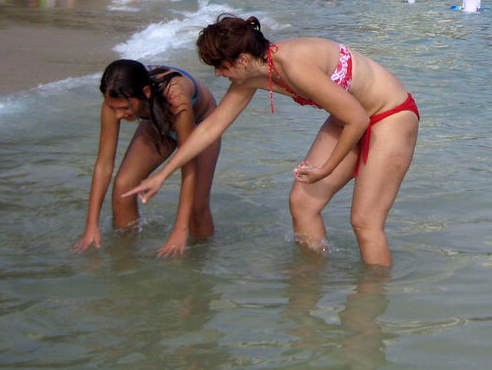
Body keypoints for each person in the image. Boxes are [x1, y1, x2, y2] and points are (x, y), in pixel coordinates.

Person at [123, 16, 419, 267]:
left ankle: (372, 304)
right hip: (351, 117)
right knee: (302, 203)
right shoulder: (251, 75)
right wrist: (162, 174)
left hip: (389, 115)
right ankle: (310, 282)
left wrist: (326, 169)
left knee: (365, 222)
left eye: (221, 66)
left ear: (241, 60)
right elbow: (210, 128)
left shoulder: (293, 63)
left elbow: (358, 119)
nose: (217, 74)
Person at [73, 59, 220, 257]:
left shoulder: (175, 98)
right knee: (124, 186)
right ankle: (126, 259)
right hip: (159, 120)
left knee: (196, 206)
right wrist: (91, 225)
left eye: (124, 108)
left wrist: (179, 230)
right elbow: (104, 165)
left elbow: (188, 166)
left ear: (146, 93)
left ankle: (199, 263)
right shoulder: (114, 97)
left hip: (201, 124)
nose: (118, 115)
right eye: (113, 107)